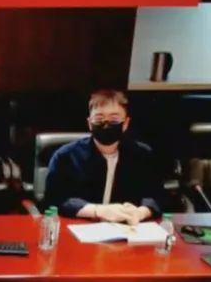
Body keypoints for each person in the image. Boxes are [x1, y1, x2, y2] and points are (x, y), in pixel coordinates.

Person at [44, 89, 162, 223]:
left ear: (126, 123)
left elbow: (156, 195)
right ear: (90, 123)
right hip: (81, 225)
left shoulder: (142, 155)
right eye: (99, 119)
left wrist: (140, 213)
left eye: (114, 119)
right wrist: (97, 210)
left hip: (128, 227)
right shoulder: (66, 156)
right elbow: (55, 199)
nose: (106, 124)